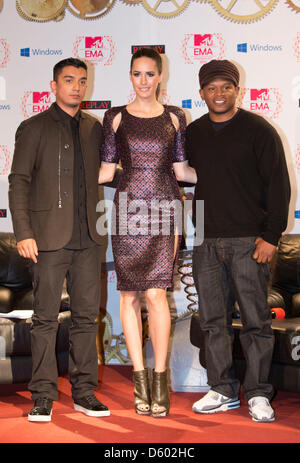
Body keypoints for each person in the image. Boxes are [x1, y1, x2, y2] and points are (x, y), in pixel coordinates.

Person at [186, 59, 290, 423]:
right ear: (202, 93)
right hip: (206, 241)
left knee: (256, 321)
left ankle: (259, 393)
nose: (219, 94)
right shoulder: (193, 133)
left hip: (250, 241)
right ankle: (223, 390)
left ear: (237, 90)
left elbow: (279, 186)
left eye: (225, 87)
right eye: (211, 88)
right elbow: (184, 178)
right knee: (213, 321)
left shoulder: (258, 130)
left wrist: (271, 237)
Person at [9, 57, 110, 422]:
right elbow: (18, 180)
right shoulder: (33, 127)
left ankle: (84, 393)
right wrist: (24, 233)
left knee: (86, 319)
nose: (76, 87)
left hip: (89, 238)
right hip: (48, 239)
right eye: (69, 80)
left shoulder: (94, 128)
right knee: (46, 319)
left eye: (82, 81)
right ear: (53, 86)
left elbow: (107, 173)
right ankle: (43, 395)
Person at [98, 48, 196, 417]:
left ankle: (160, 380)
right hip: (127, 211)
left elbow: (182, 169)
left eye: (150, 74)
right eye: (137, 74)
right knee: (129, 296)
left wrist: (227, 178)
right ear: (130, 76)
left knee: (157, 294)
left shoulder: (175, 117)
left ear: (160, 76)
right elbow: (106, 171)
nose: (143, 81)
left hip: (165, 208)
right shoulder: (115, 117)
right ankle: (139, 379)